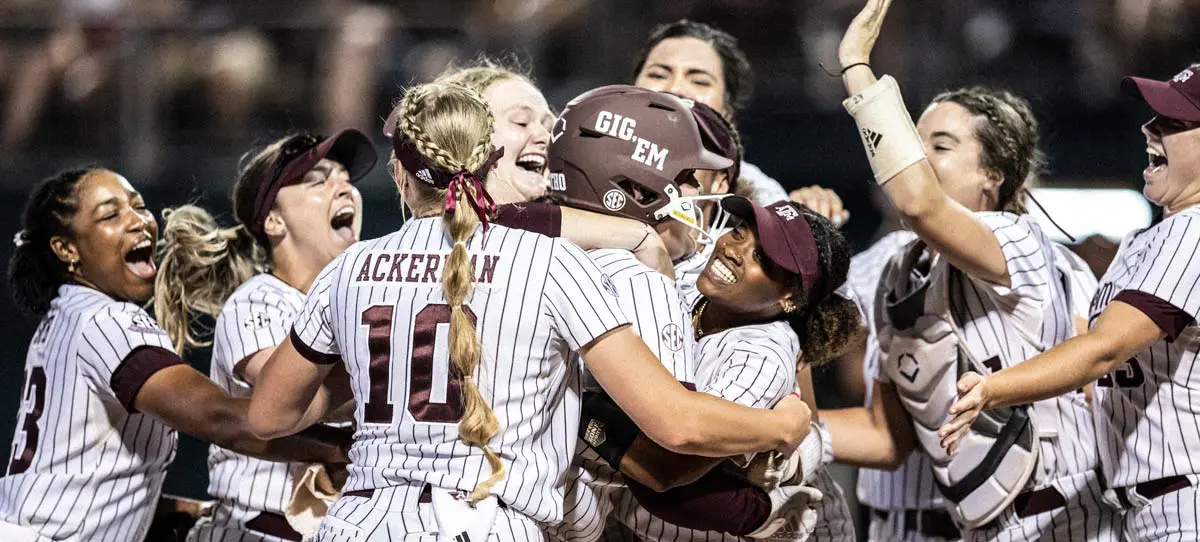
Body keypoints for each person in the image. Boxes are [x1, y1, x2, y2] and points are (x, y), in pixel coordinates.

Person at [245, 81, 812, 542]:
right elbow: (675, 425)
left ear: (399, 175)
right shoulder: (552, 261)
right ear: (488, 158)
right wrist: (781, 426)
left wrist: (381, 375)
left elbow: (267, 416)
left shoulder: (350, 269)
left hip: (357, 524)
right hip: (486, 523)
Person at [821, 0, 1118, 540]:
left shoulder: (1019, 240)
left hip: (1065, 517)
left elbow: (920, 203)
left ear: (993, 177)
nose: (916, 155)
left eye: (940, 145)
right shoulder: (899, 271)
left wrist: (858, 69)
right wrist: (770, 432)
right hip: (976, 525)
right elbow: (886, 438)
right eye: (914, 141)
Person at [0, 168, 350, 542]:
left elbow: (87, 481)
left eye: (138, 206)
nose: (138, 221)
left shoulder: (65, 316)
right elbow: (222, 419)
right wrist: (338, 447)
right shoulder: (106, 320)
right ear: (66, 249)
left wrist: (183, 514)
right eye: (110, 214)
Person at [942, 61, 1200, 542]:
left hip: (1185, 506)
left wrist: (994, 388)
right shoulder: (1159, 237)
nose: (1150, 126)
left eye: (1175, 122)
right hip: (1147, 508)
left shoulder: (1194, 230)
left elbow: (1105, 349)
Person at [154, 129, 377, 542]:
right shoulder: (259, 300)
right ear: (274, 221)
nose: (344, 186)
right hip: (256, 527)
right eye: (318, 180)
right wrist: (394, 355)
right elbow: (285, 393)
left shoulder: (361, 301)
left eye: (346, 177)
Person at [604, 197, 860, 542]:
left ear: (788, 296)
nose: (733, 249)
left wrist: (579, 410)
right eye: (739, 233)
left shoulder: (761, 355)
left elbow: (664, 468)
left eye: (761, 258)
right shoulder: (697, 277)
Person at [632, 19, 848, 224]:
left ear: (727, 113)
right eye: (658, 75)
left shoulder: (761, 197)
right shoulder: (597, 149)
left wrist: (805, 221)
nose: (675, 89)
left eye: (699, 81)